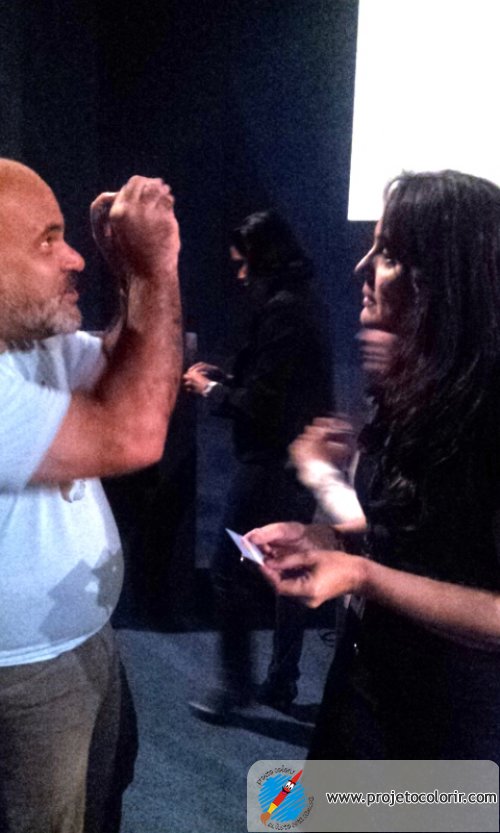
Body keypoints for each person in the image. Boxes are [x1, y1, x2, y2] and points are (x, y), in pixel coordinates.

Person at [249, 170, 500, 763]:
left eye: (387, 254)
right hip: (368, 693)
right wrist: (324, 538)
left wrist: (361, 575)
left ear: (444, 278)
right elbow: (411, 538)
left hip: (449, 733)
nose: (362, 267)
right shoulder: (423, 393)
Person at [0, 159, 182, 833]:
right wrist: (155, 269)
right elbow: (136, 431)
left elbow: (134, 373)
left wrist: (132, 273)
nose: (74, 256)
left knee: (102, 801)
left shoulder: (28, 341)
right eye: (48, 240)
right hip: (22, 674)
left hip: (81, 638)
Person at [183, 209, 332, 718]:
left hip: (272, 463)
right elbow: (277, 384)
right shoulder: (301, 304)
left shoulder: (283, 312)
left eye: (245, 263)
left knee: (229, 569)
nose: (242, 274)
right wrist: (226, 379)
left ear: (265, 258)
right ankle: (280, 681)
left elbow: (264, 404)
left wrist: (209, 390)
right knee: (290, 568)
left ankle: (236, 687)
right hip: (299, 463)